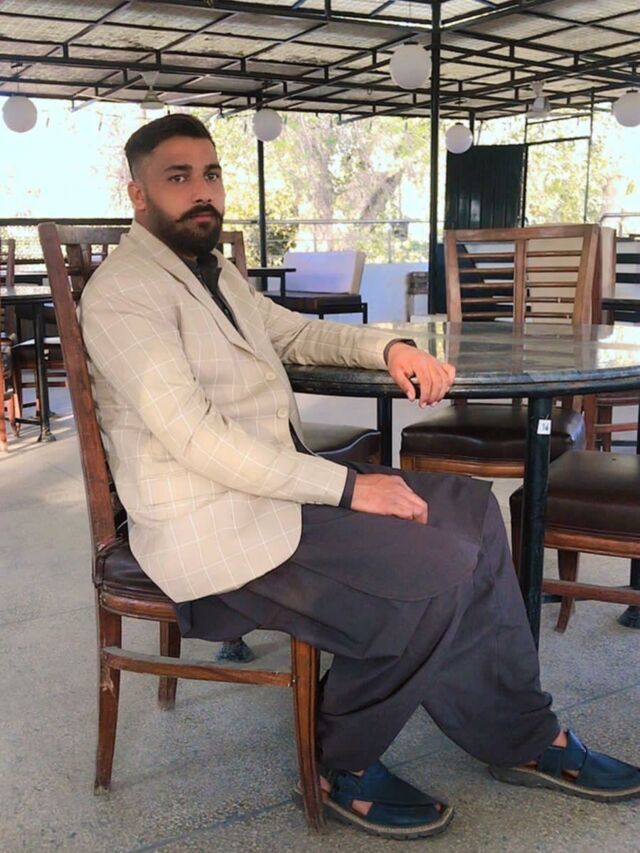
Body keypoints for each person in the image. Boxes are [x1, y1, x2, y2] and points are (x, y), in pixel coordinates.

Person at [79, 114, 640, 840]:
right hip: (212, 525)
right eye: (178, 177)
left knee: (470, 509)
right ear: (138, 193)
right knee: (435, 567)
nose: (202, 191)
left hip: (274, 492)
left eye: (211, 173)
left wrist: (392, 348)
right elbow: (195, 438)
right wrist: (349, 487)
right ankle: (336, 761)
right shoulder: (124, 292)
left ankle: (523, 735)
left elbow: (298, 332)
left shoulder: (212, 271)